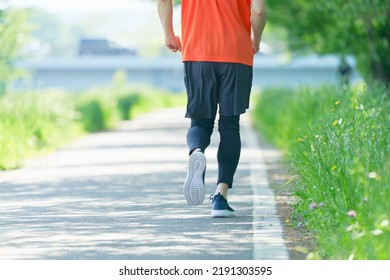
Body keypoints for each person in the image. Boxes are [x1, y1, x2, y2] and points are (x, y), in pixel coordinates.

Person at [157, 0, 267, 218]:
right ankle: (220, 197)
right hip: (236, 52)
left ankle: (196, 151)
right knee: (229, 124)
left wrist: (168, 33)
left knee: (199, 121)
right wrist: (256, 38)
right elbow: (259, 10)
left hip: (197, 50)